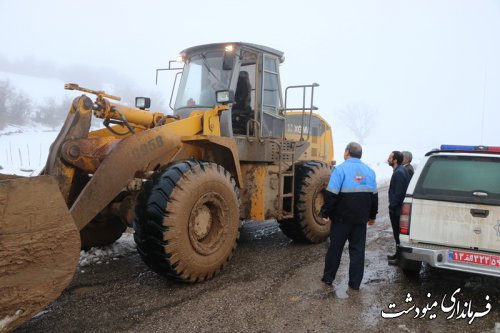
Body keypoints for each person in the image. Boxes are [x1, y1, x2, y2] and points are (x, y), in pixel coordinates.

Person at [321, 142, 378, 291]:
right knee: (358, 251)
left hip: (341, 220)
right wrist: (372, 216)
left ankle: (328, 278)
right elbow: (374, 197)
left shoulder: (340, 170)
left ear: (347, 152)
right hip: (360, 221)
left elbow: (331, 194)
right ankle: (355, 283)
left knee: (335, 249)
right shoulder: (370, 172)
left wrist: (325, 212)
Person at [387, 151, 410, 265]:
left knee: (398, 234)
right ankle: (398, 254)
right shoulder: (400, 170)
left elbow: (399, 193)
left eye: (390, 157)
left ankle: (400, 258)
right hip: (397, 208)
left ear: (395, 160)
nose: (388, 159)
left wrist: (392, 205)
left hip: (397, 210)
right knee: (397, 234)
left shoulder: (399, 172)